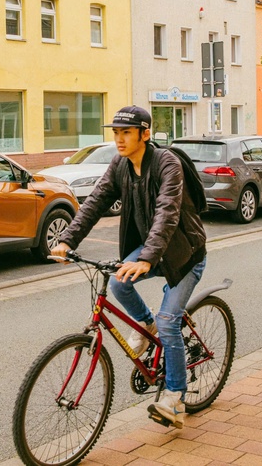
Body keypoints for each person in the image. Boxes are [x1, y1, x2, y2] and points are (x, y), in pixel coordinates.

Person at [51, 105, 207, 429]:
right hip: (152, 248)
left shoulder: (167, 164)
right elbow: (95, 201)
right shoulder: (120, 165)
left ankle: (175, 398)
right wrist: (68, 240)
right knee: (119, 283)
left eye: (126, 133)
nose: (119, 140)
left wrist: (145, 258)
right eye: (116, 133)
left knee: (169, 322)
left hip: (183, 253)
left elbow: (167, 213)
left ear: (145, 134)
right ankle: (145, 326)